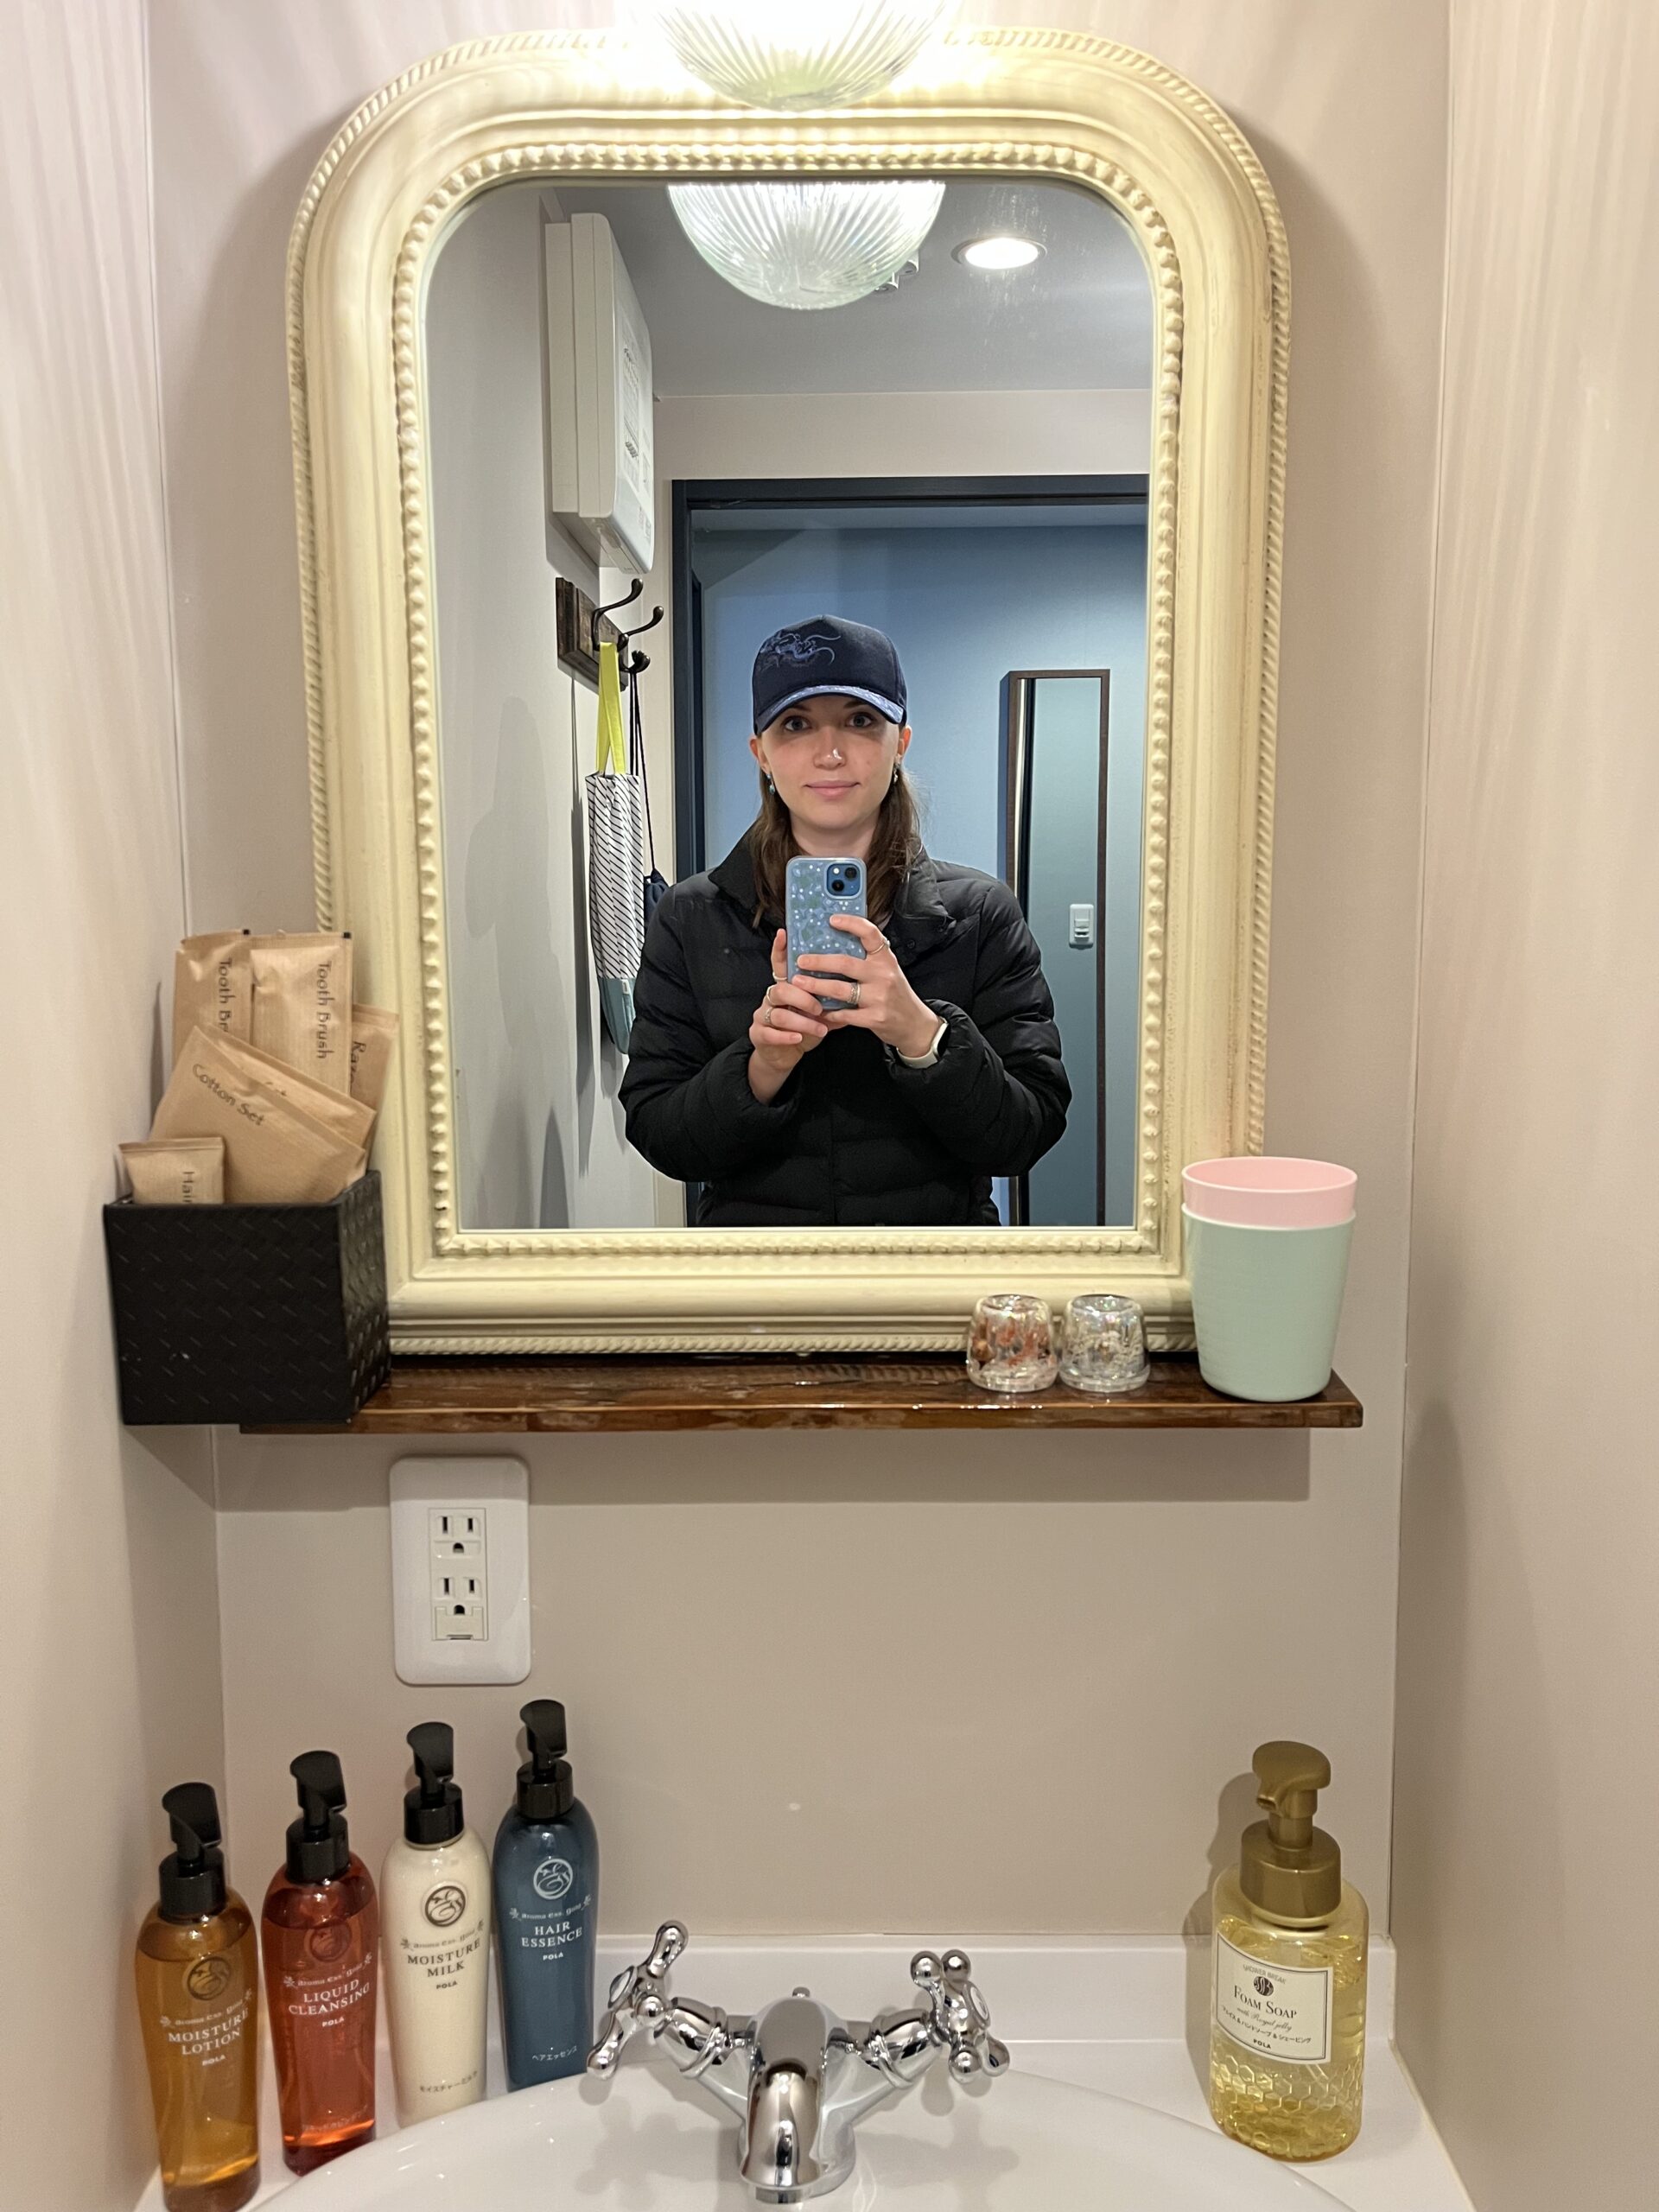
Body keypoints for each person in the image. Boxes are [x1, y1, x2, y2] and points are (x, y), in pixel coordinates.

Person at [620, 614, 1070, 1227]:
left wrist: (924, 1036)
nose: (830, 754)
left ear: (900, 743)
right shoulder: (691, 916)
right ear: (761, 754)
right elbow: (660, 1134)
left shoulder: (981, 914)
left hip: (934, 1270)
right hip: (758, 1272)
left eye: (860, 721)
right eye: (796, 724)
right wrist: (762, 1066)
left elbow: (1027, 1134)